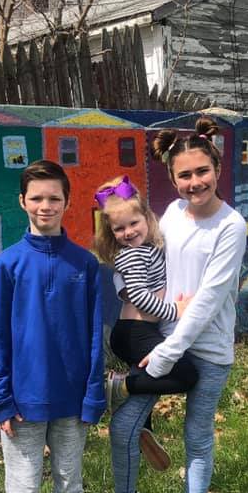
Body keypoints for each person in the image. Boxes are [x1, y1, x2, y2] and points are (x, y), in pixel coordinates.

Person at [106, 117, 247, 493]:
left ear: (216, 168)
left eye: (201, 171)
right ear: (172, 178)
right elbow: (145, 264)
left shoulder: (231, 226)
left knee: (197, 436)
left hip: (206, 351)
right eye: (184, 175)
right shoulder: (168, 217)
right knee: (121, 428)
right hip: (161, 340)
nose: (194, 182)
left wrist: (166, 352)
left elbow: (207, 300)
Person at [0, 159, 106, 493]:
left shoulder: (85, 265)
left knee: (70, 477)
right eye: (36, 197)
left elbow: (95, 335)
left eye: (54, 197)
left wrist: (94, 394)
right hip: (23, 397)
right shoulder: (8, 265)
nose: (46, 205)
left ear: (68, 202)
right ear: (22, 202)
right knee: (24, 480)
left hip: (72, 397)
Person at [92, 175, 198, 472]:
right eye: (119, 229)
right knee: (187, 374)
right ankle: (118, 385)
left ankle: (142, 428)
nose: (128, 232)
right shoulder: (134, 254)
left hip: (136, 333)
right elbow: (138, 294)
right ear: (111, 234)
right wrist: (174, 310)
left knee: (152, 378)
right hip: (135, 332)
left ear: (147, 219)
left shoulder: (148, 248)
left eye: (133, 223)